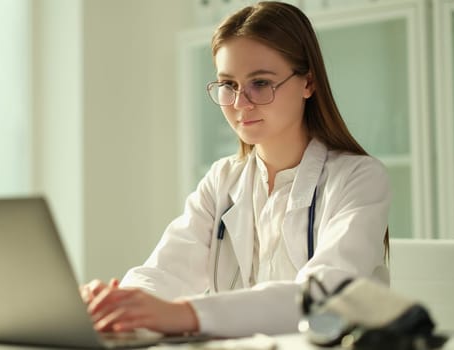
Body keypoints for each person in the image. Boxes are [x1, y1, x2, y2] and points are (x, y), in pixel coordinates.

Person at [81, 1, 390, 338]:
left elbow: (320, 296)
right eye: (228, 85)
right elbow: (164, 271)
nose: (241, 104)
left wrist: (185, 313)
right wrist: (120, 303)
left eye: (260, 83)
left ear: (308, 83)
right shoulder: (223, 180)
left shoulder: (359, 178)